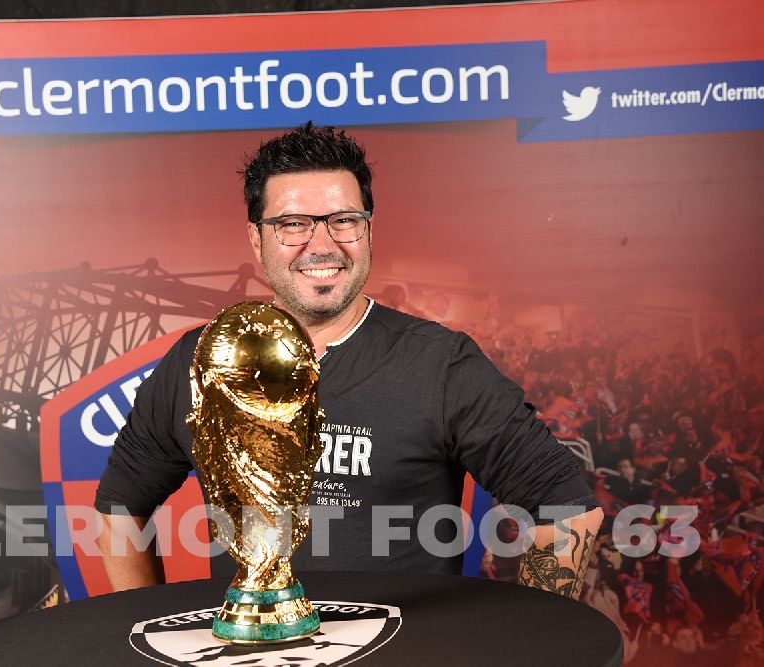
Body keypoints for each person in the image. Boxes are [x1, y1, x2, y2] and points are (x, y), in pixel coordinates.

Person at [95, 122, 603, 597]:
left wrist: (535, 648)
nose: (322, 244)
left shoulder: (441, 364)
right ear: (257, 238)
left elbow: (566, 508)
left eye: (343, 220)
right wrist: (151, 639)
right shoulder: (198, 361)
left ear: (368, 229)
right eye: (292, 224)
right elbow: (121, 508)